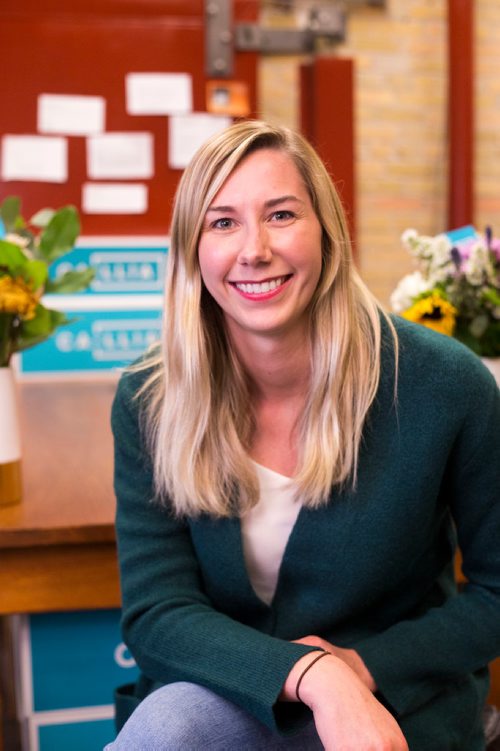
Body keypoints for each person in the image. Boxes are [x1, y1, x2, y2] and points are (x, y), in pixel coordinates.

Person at [105, 120, 500, 751]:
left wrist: (361, 669)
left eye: (281, 214)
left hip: (394, 704)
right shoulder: (151, 399)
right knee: (169, 725)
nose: (254, 249)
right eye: (223, 222)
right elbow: (158, 615)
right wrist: (312, 675)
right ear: (192, 249)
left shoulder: (444, 385)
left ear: (327, 232)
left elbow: (496, 595)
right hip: (224, 695)